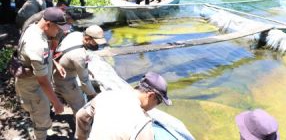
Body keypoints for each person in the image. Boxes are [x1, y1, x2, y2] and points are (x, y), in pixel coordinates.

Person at [15, 7, 68, 140]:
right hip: (34, 90)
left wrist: (55, 63)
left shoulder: (34, 27)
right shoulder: (37, 44)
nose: (59, 32)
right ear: (48, 24)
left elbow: (37, 59)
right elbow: (43, 81)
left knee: (40, 115)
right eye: (58, 28)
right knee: (41, 120)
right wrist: (56, 103)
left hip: (36, 85)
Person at [75, 71, 172, 140]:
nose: (156, 106)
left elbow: (80, 115)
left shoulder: (106, 95)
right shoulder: (143, 123)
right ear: (151, 95)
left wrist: (81, 138)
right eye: (158, 102)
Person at [53, 25, 106, 116]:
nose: (97, 45)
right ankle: (81, 128)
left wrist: (87, 69)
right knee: (80, 108)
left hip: (54, 71)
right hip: (65, 80)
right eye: (95, 42)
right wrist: (94, 96)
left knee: (57, 95)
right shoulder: (80, 55)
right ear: (87, 38)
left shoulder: (76, 34)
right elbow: (84, 81)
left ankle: (53, 109)